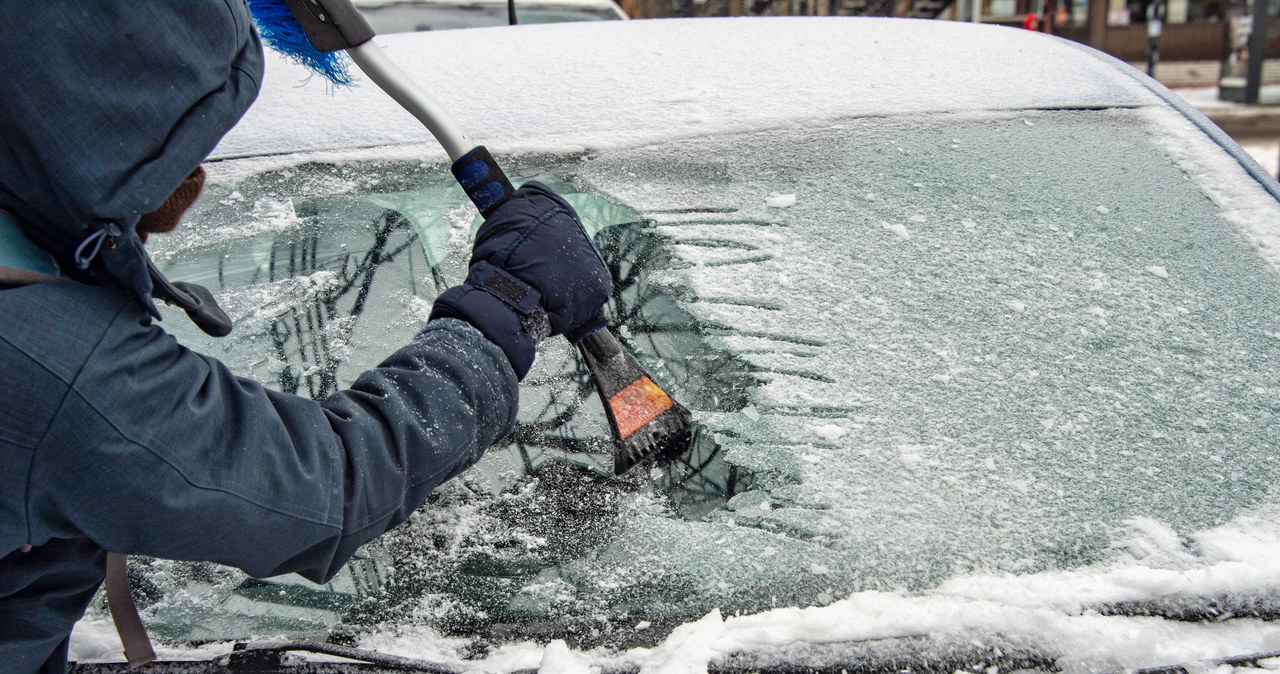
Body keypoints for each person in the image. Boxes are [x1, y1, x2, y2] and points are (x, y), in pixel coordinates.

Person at [0, 2, 612, 672]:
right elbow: (330, 483)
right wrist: (502, 312)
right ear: (104, 140)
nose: (193, 180)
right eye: (178, 148)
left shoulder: (36, 275)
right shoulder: (50, 362)